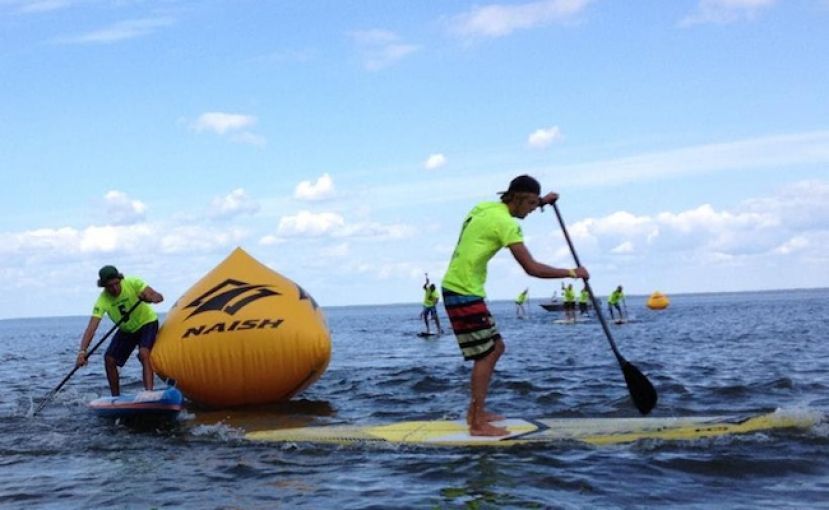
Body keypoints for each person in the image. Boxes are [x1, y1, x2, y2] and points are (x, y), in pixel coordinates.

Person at [441, 175, 589, 436]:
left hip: (462, 289)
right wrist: (572, 273)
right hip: (463, 292)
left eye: (536, 205)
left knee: (496, 347)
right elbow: (532, 269)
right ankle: (476, 422)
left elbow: (516, 205)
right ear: (518, 198)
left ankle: (475, 412)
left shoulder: (486, 208)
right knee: (485, 354)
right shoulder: (506, 224)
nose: (533, 210)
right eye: (531, 204)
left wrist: (543, 201)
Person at [76, 265, 164, 396]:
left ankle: (149, 393)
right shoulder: (102, 301)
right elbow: (91, 327)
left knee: (144, 353)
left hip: (147, 323)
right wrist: (82, 351)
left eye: (116, 283)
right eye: (110, 286)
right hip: (127, 329)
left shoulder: (133, 283)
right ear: (104, 286)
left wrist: (149, 298)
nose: (115, 288)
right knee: (109, 359)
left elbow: (158, 296)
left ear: (120, 279)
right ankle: (115, 398)